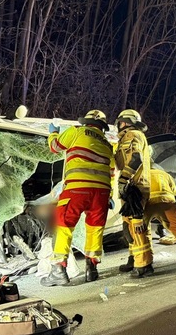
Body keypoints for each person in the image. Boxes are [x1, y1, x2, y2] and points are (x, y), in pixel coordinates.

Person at [41, 110, 115, 286]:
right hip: (101, 193)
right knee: (95, 228)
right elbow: (111, 172)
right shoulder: (107, 144)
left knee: (64, 227)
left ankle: (58, 270)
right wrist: (109, 195)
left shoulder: (76, 132)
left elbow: (54, 148)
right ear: (102, 127)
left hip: (77, 189)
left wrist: (53, 133)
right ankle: (92, 268)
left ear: (86, 121)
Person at [113, 109, 153, 276]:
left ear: (124, 122)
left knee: (136, 227)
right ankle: (135, 257)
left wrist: (123, 179)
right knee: (130, 226)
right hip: (133, 187)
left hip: (133, 188)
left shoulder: (132, 135)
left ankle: (143, 264)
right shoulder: (131, 136)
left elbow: (135, 158)